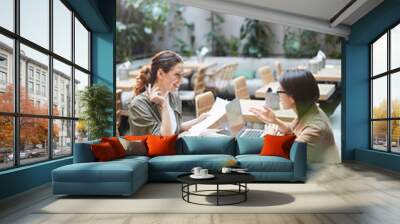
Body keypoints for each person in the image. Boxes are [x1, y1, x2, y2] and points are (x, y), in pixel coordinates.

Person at [249, 69, 340, 164]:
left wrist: (270, 137)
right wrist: (275, 121)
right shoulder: (309, 110)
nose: (278, 95)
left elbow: (292, 159)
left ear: (292, 97)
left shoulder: (315, 128)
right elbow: (292, 129)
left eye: (279, 91)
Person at [128, 50, 208, 136]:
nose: (181, 81)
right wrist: (164, 105)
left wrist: (200, 119)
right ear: (160, 74)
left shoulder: (173, 96)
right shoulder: (138, 105)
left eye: (182, 75)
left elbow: (176, 127)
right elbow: (164, 139)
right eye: (177, 75)